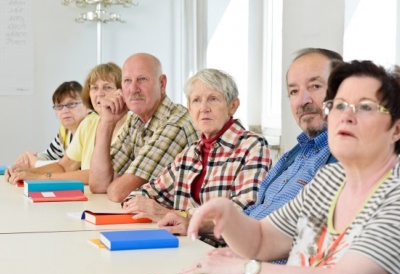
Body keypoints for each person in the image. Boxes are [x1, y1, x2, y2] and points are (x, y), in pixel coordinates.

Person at [183, 60, 400, 274]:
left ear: (396, 129)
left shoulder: (395, 195)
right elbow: (262, 240)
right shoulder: (329, 179)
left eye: (366, 107)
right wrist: (228, 213)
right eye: (338, 105)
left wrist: (241, 269)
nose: (346, 116)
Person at [158, 48, 341, 238]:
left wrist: (188, 218)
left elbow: (297, 239)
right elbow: (253, 218)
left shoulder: (343, 158)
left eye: (315, 86)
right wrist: (193, 224)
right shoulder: (296, 154)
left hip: (250, 259)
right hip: (235, 251)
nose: (303, 100)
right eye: (294, 91)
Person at [122, 69, 271, 235]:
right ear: (190, 109)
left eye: (213, 99)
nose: (204, 108)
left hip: (224, 251)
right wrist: (138, 204)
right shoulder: (191, 152)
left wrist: (180, 215)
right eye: (196, 101)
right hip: (184, 245)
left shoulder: (253, 146)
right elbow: (142, 194)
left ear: (232, 106)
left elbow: (246, 209)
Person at [89, 53, 198, 201]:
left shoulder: (176, 124)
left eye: (142, 79)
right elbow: (98, 184)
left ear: (162, 83)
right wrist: (107, 122)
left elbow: (119, 192)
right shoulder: (136, 121)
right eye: (127, 81)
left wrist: (117, 181)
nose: (133, 89)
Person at [6, 62, 127, 185]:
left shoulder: (131, 126)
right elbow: (64, 166)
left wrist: (40, 177)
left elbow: (98, 175)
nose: (100, 93)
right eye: (94, 88)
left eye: (107, 87)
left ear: (122, 92)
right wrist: (27, 172)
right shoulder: (88, 124)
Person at [7, 81, 91, 169]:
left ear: (87, 105)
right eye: (59, 106)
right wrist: (31, 159)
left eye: (71, 104)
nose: (64, 110)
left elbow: (71, 166)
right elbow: (50, 155)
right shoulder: (64, 131)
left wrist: (36, 163)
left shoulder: (90, 125)